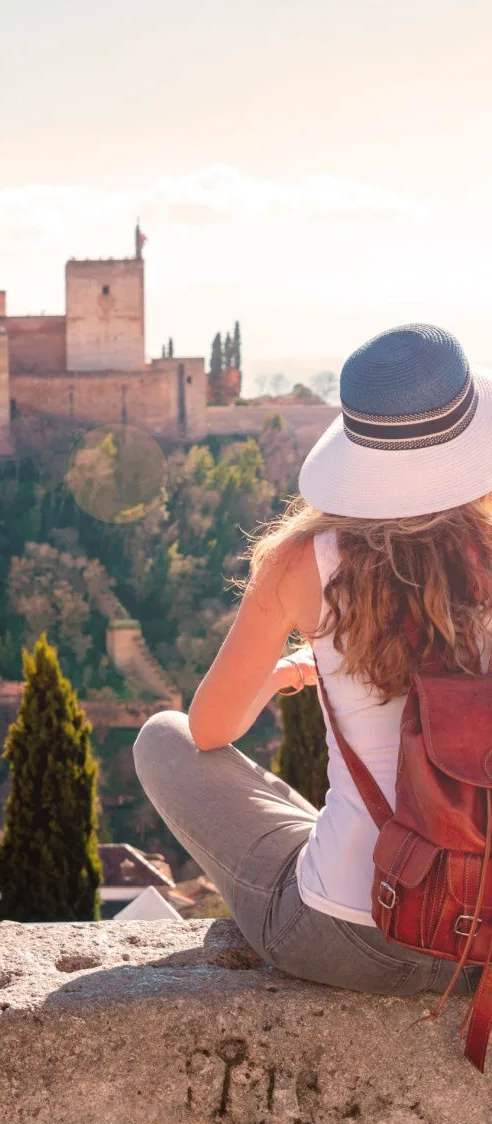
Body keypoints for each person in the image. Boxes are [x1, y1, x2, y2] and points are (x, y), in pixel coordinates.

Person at [134, 323, 492, 995]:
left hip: (347, 939)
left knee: (162, 738)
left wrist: (286, 673)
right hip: (482, 933)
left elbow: (210, 731)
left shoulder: (303, 563)